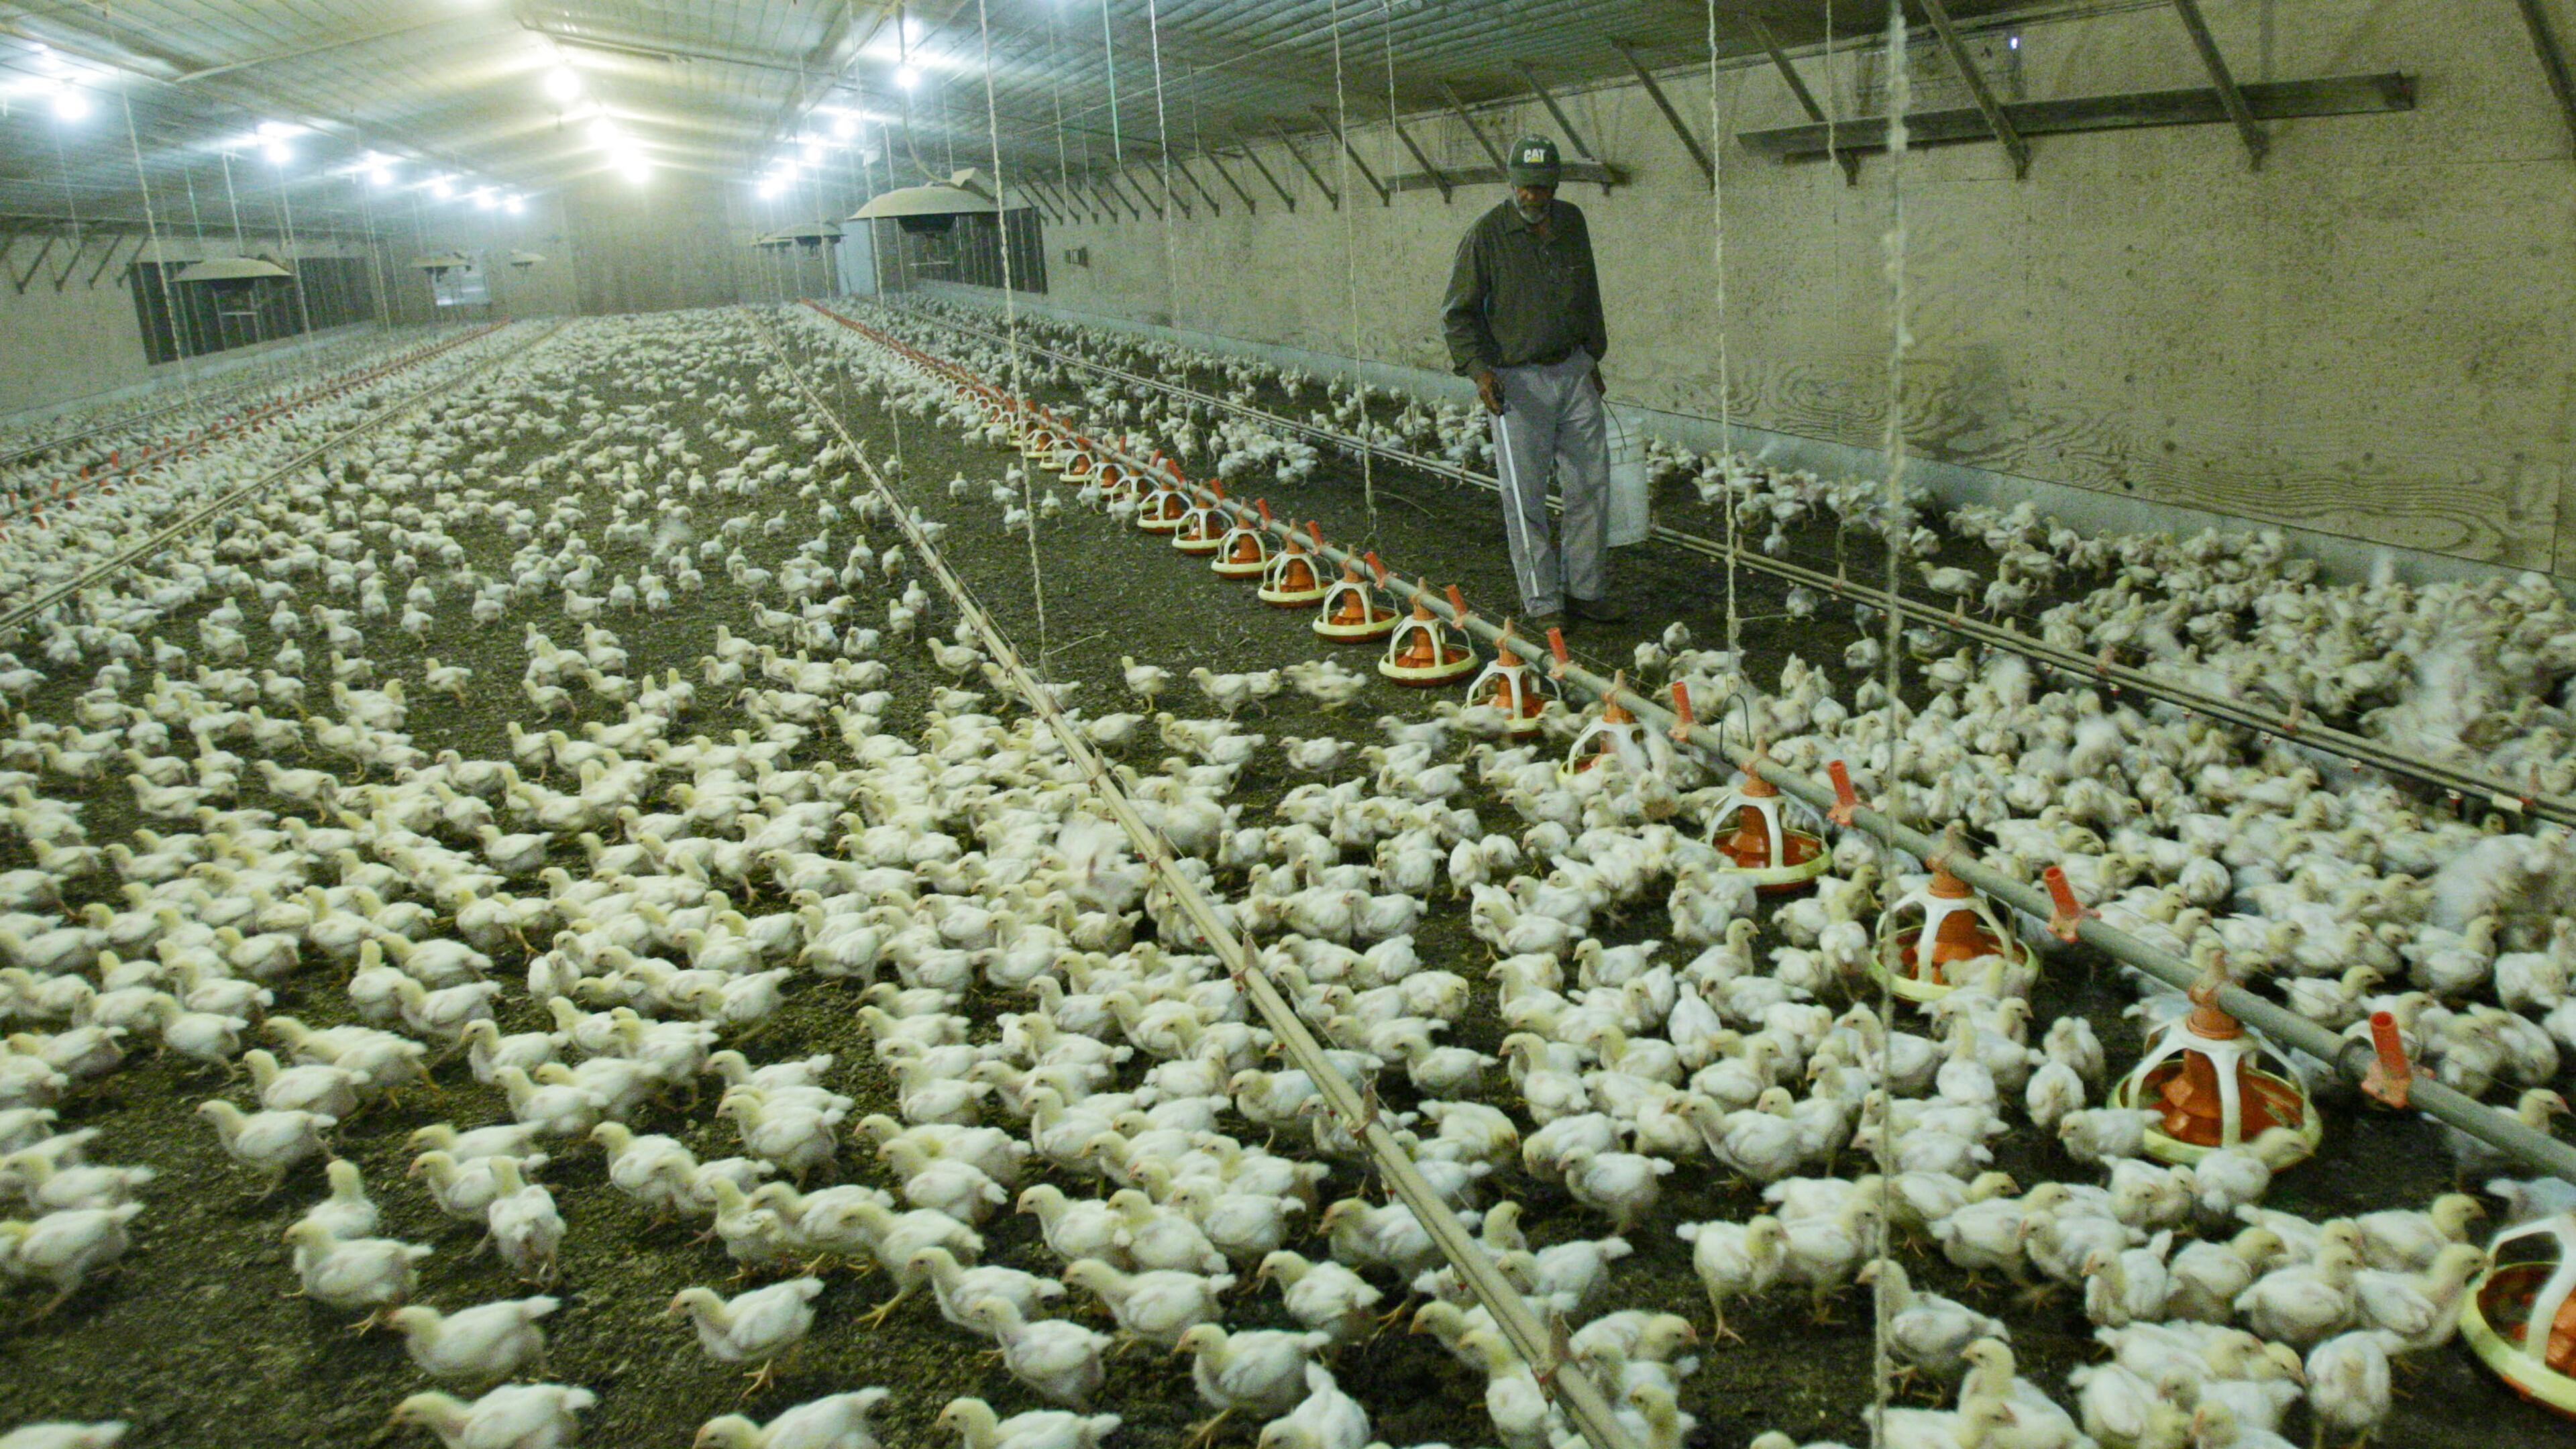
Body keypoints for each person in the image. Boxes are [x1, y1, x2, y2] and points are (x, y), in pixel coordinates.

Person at [1440, 134, 1621, 632]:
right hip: (1517, 381)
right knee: (1525, 496)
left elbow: (1588, 292)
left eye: (1542, 188)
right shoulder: (1486, 236)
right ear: (1511, 183)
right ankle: (1543, 601)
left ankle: (1585, 591)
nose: (1532, 198)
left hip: (1573, 370)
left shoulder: (1572, 223)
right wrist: (1479, 373)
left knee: (1591, 486)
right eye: (1524, 187)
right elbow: (1457, 316)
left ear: (1555, 185)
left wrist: (1592, 355)